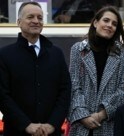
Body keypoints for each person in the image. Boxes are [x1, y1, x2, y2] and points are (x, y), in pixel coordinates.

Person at [0, 2, 71, 136]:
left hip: (51, 132)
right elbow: (3, 96)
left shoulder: (56, 54)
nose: (36, 21)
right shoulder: (4, 55)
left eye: (40, 18)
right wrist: (26, 125)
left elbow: (65, 91)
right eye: (30, 17)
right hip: (16, 131)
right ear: (19, 22)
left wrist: (53, 124)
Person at [68, 6, 124, 136]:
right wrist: (83, 115)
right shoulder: (78, 49)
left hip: (109, 124)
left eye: (114, 24)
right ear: (96, 22)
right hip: (81, 125)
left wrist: (102, 114)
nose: (109, 25)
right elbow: (74, 85)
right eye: (106, 20)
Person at [53, 0, 121, 23]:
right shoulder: (69, 1)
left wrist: (70, 19)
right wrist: (57, 17)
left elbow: (94, 18)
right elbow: (55, 16)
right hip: (63, 29)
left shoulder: (95, 2)